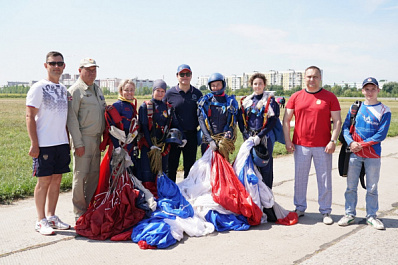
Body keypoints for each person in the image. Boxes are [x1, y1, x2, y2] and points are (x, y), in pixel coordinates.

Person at [282, 66, 341, 225]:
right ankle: (300, 208)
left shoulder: (330, 97)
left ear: (320, 78)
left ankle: (326, 211)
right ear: (304, 78)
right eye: (309, 77)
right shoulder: (296, 96)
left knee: (325, 179)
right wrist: (288, 140)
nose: (311, 80)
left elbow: (337, 121)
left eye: (315, 77)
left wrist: (333, 140)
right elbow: (286, 120)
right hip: (301, 145)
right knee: (300, 178)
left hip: (323, 146)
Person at [26, 51, 71, 235]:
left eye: (60, 63)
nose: (56, 66)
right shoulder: (39, 88)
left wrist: (67, 141)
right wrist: (34, 143)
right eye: (52, 63)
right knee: (43, 182)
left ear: (64, 66)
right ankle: (40, 220)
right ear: (46, 65)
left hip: (61, 143)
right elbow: (30, 116)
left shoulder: (63, 89)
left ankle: (52, 216)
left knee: (56, 180)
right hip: (44, 143)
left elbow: (65, 118)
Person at [337, 77, 391, 230]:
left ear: (378, 90)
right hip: (354, 154)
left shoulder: (384, 110)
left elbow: (381, 134)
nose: (370, 92)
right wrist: (351, 142)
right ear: (362, 90)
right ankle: (349, 214)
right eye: (367, 89)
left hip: (373, 155)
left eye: (373, 89)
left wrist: (360, 144)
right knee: (350, 186)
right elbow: (346, 128)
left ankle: (372, 216)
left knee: (372, 187)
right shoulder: (356, 107)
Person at [67, 58, 106, 221]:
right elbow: (72, 119)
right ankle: (79, 212)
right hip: (83, 139)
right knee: (80, 175)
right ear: (80, 70)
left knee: (93, 176)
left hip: (97, 140)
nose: (92, 73)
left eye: (94, 70)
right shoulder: (75, 90)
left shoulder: (97, 89)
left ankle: (89, 207)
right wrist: (78, 143)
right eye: (88, 70)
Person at [138, 79, 186, 194]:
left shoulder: (168, 108)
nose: (160, 93)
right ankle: (147, 198)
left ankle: (160, 195)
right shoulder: (145, 107)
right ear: (153, 91)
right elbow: (144, 127)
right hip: (148, 147)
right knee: (147, 172)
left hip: (163, 147)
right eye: (157, 90)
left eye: (162, 91)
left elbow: (175, 124)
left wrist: (182, 137)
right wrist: (151, 146)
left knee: (162, 171)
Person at [238, 73, 280, 189]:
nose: (258, 86)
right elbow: (240, 119)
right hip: (249, 138)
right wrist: (245, 134)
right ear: (252, 85)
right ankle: (255, 198)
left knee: (265, 166)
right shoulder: (246, 101)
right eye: (255, 84)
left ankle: (267, 200)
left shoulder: (270, 101)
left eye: (260, 84)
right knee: (250, 166)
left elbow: (272, 121)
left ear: (264, 85)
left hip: (265, 137)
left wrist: (260, 136)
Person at [164, 64, 203, 182]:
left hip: (191, 135)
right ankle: (172, 192)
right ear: (177, 76)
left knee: (190, 167)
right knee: (171, 166)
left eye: (187, 74)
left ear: (191, 76)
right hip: (174, 135)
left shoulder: (197, 94)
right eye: (182, 74)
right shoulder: (169, 94)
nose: (185, 77)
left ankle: (187, 191)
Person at [198, 73, 238, 161]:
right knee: (208, 169)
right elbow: (201, 122)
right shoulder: (205, 102)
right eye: (213, 86)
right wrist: (210, 140)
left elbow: (233, 121)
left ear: (223, 84)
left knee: (223, 168)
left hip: (224, 141)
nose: (216, 88)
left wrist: (228, 134)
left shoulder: (230, 102)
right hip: (208, 141)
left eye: (218, 85)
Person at [108, 79, 139, 174]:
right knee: (117, 172)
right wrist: (117, 147)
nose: (129, 92)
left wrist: (136, 146)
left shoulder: (131, 106)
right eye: (126, 90)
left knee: (129, 172)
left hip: (129, 145)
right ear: (121, 91)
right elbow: (111, 128)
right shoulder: (117, 106)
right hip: (119, 146)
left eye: (131, 90)